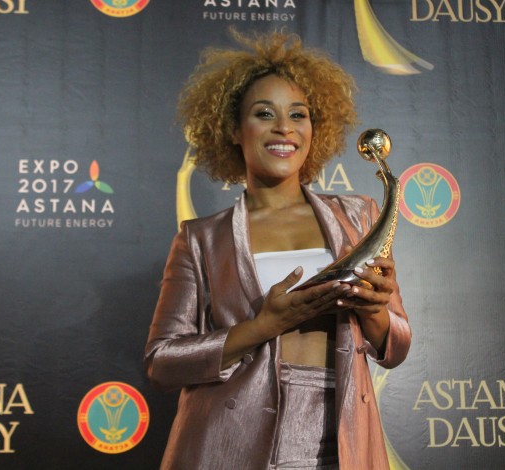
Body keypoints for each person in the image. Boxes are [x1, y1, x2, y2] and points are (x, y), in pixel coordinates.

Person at [144, 29, 411, 470]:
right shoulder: (200, 239)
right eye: (264, 113)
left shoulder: (359, 216)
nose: (284, 127)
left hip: (342, 440)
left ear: (314, 129)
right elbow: (162, 363)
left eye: (298, 114)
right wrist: (262, 327)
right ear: (233, 129)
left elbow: (395, 348)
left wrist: (376, 312)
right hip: (232, 446)